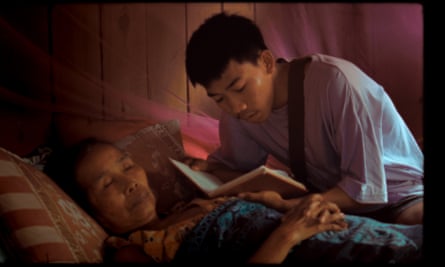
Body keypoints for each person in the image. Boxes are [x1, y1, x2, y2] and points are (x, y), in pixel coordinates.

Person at [184, 12, 424, 225]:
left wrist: (288, 205)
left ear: (266, 62)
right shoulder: (238, 113)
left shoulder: (337, 83)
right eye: (219, 98)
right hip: (332, 199)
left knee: (412, 222)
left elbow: (366, 189)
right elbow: (241, 175)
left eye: (239, 87)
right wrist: (209, 171)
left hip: (400, 194)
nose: (236, 107)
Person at [45, 138, 423, 263]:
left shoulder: (186, 207)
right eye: (108, 182)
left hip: (338, 231)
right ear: (86, 208)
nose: (130, 182)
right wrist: (288, 233)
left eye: (127, 166)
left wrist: (281, 205)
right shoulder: (129, 250)